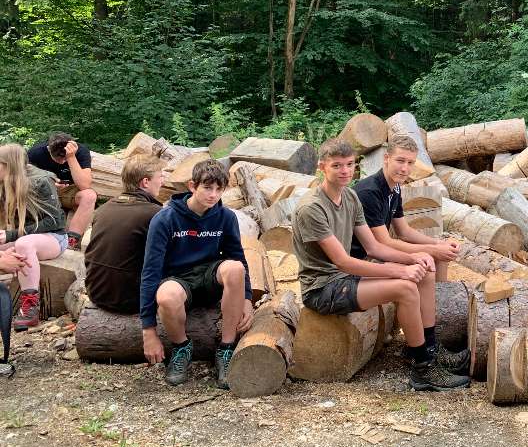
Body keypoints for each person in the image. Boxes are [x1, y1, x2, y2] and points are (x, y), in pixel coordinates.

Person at [293, 138, 469, 391]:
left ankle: (426, 348)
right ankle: (423, 370)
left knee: (422, 274)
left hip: (345, 279)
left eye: (350, 165)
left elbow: (374, 247)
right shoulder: (312, 207)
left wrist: (415, 259)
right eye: (337, 166)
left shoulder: (350, 198)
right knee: (405, 288)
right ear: (322, 167)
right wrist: (401, 270)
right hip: (322, 288)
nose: (345, 171)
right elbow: (343, 262)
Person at [140, 159, 253, 389]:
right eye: (207, 188)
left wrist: (248, 299)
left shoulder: (226, 217)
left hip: (210, 276)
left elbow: (238, 258)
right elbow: (150, 271)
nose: (213, 195)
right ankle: (181, 348)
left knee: (235, 268)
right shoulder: (165, 219)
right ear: (192, 186)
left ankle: (226, 349)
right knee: (166, 296)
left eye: (219, 189)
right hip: (179, 280)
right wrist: (148, 330)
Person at [351, 135, 461, 285]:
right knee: (426, 268)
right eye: (400, 161)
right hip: (360, 259)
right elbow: (384, 242)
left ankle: (441, 299)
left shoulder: (395, 187)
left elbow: (404, 232)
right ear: (386, 158)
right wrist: (432, 250)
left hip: (378, 252)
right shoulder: (369, 192)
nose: (405, 169)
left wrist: (438, 244)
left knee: (440, 255)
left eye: (410, 163)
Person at [86, 152, 167, 314]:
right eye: (160, 176)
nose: (163, 181)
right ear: (145, 182)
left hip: (96, 292)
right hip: (130, 300)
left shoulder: (104, 209)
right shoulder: (155, 214)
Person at [0, 143, 68, 330]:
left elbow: (55, 222)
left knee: (24, 244)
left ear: (9, 165)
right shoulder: (2, 182)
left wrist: (12, 235)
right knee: (18, 245)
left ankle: (30, 307)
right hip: (20, 237)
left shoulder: (40, 181)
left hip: (53, 238)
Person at [28, 133, 97, 249]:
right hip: (42, 193)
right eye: (58, 158)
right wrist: (48, 184)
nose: (62, 162)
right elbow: (24, 180)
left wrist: (71, 157)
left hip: (69, 191)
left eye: (64, 158)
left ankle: (71, 241)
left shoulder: (81, 151)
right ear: (49, 149)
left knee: (89, 195)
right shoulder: (35, 153)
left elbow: (85, 185)